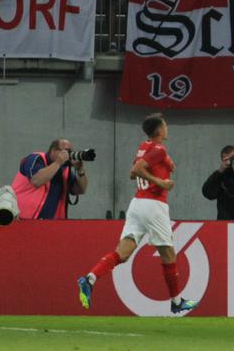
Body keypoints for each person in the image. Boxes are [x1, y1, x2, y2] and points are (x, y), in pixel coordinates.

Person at [77, 114, 200, 316]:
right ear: (159, 130)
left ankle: (89, 278)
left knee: (123, 254)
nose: (167, 129)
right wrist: (160, 182)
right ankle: (177, 301)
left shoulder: (145, 146)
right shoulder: (159, 149)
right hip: (153, 206)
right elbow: (136, 169)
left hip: (137, 205)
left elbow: (134, 173)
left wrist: (164, 165)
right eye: (165, 125)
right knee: (168, 254)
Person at [11, 138, 88, 220]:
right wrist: (58, 162)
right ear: (53, 151)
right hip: (21, 220)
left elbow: (80, 190)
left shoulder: (64, 169)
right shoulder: (36, 159)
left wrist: (80, 170)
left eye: (70, 152)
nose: (68, 155)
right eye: (66, 151)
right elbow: (36, 181)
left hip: (50, 224)